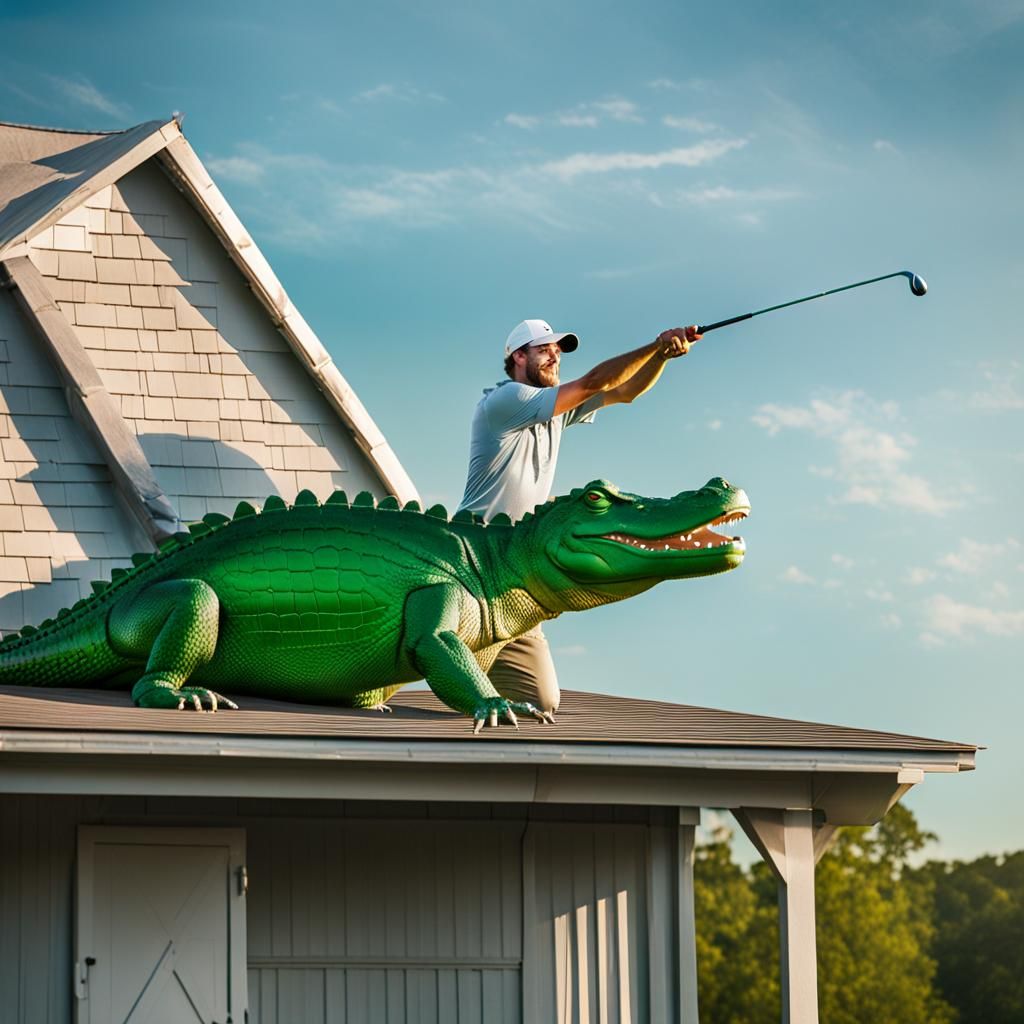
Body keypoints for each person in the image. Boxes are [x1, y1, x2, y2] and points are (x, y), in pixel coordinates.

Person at [457, 317, 701, 716]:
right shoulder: (505, 400)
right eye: (545, 349)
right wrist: (655, 346)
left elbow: (624, 392)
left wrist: (664, 358)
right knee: (428, 652)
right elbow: (594, 382)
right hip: (473, 562)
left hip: (518, 577)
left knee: (540, 702)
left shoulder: (554, 412)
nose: (555, 355)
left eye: (558, 350)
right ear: (519, 357)